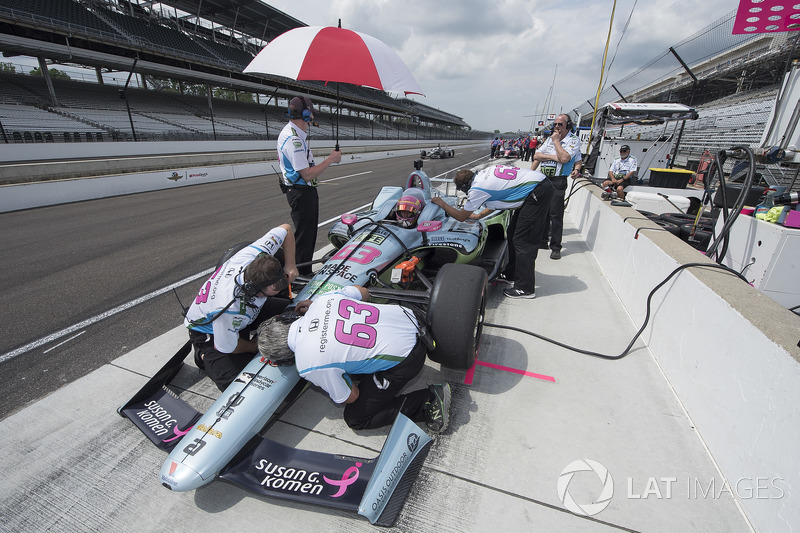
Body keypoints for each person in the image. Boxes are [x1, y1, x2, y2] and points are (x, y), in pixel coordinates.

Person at [257, 285, 452, 433]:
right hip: (411, 316)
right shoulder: (320, 301)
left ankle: (429, 401)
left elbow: (351, 396)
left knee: (356, 418)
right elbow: (363, 292)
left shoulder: (308, 365)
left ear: (284, 357)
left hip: (410, 355)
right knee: (343, 362)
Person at [185, 224, 298, 391]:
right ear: (253, 289)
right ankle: (202, 354)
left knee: (295, 312)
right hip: (211, 332)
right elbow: (227, 347)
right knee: (237, 384)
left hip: (249, 311)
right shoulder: (227, 308)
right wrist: (255, 345)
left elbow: (286, 229)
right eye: (275, 288)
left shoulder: (251, 254)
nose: (282, 287)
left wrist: (290, 265)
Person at [431, 164, 553, 299]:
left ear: (466, 186)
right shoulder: (483, 174)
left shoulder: (477, 188)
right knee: (512, 234)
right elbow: (499, 197)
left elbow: (461, 216)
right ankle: (511, 274)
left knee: (523, 241)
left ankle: (525, 288)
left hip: (537, 191)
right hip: (536, 186)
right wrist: (478, 216)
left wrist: (441, 203)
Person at [277, 96, 341, 276]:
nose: (313, 117)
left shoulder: (296, 134)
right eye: (311, 114)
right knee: (305, 236)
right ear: (305, 114)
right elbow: (306, 174)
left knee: (308, 233)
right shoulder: (293, 139)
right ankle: (302, 275)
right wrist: (330, 159)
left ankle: (304, 271)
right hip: (301, 191)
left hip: (303, 190)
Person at [532, 114, 582, 260]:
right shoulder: (550, 138)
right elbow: (537, 156)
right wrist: (555, 157)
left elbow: (566, 158)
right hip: (544, 178)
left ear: (568, 125)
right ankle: (542, 241)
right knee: (542, 212)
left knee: (556, 215)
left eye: (560, 124)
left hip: (558, 181)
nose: (556, 127)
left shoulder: (573, 140)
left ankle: (556, 247)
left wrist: (556, 142)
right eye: (555, 124)